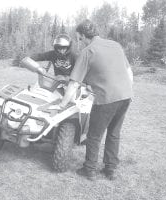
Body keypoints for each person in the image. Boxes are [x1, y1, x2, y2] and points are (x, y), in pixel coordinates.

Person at [55, 19, 133, 181]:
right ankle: (110, 170)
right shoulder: (115, 45)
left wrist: (62, 104)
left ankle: (89, 169)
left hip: (106, 99)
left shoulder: (88, 51)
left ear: (84, 35)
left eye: (79, 38)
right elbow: (129, 72)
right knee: (114, 133)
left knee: (94, 135)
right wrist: (125, 91)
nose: (79, 41)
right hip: (125, 96)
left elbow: (74, 83)